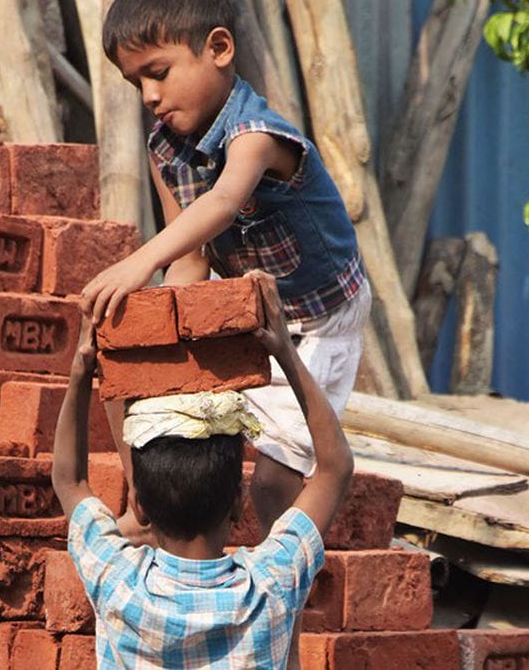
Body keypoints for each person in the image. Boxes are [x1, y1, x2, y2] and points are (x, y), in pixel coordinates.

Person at [79, 0, 370, 532]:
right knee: (149, 395)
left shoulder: (256, 136)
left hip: (318, 321)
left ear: (218, 48)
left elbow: (220, 204)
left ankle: (279, 603)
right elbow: (189, 262)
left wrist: (140, 261)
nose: (148, 95)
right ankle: (148, 519)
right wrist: (163, 345)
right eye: (136, 81)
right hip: (246, 308)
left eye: (159, 72)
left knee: (272, 483)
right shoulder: (165, 147)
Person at [52, 273, 354, 669]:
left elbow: (69, 480)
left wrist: (80, 370)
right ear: (238, 503)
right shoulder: (269, 585)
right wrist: (285, 352)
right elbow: (334, 468)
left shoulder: (118, 582)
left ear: (139, 506)